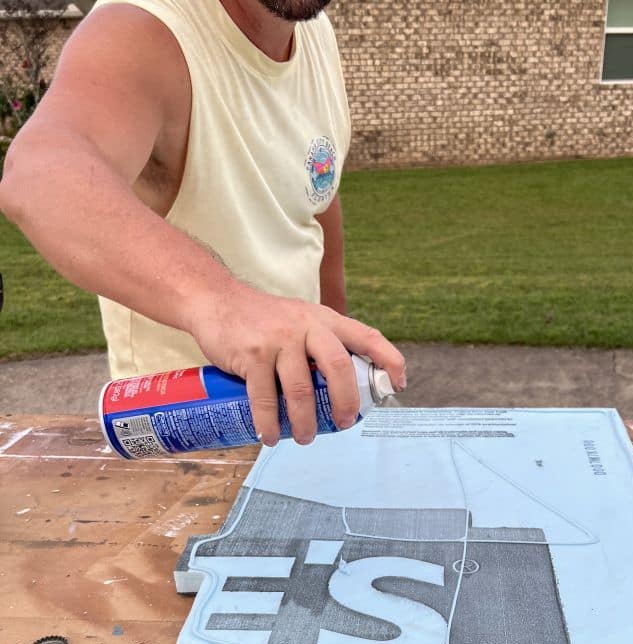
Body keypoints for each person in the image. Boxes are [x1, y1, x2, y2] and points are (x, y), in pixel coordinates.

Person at [0, 0, 406, 446]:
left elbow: (315, 196)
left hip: (300, 429)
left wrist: (336, 356)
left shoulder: (313, 34)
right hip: (192, 454)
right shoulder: (145, 28)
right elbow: (41, 175)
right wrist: (225, 304)